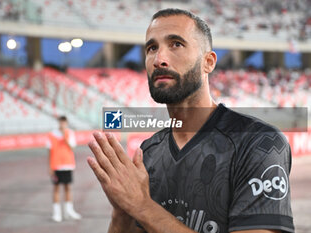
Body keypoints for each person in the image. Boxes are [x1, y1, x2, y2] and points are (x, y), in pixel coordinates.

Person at [87, 8, 294, 233]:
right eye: (151, 48)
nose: (159, 59)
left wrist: (143, 207)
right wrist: (122, 211)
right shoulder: (149, 152)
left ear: (208, 62)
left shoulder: (257, 142)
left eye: (176, 44)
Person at [47, 116, 81, 222]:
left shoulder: (70, 133)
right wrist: (50, 166)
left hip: (67, 164)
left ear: (66, 123)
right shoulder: (51, 134)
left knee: (67, 188)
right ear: (59, 123)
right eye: (61, 122)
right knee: (56, 189)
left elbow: (72, 147)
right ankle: (57, 213)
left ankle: (69, 211)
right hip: (56, 165)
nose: (62, 124)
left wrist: (65, 137)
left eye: (64, 122)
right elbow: (49, 151)